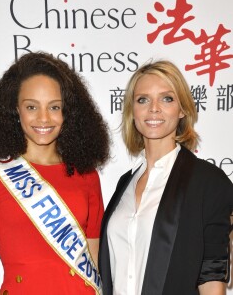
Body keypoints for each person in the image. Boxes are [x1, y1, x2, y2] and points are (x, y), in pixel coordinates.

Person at [0, 51, 110, 295]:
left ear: (67, 112)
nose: (43, 118)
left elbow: (94, 261)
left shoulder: (86, 175)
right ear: (15, 110)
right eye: (32, 107)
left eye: (54, 107)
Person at [98, 60, 233, 295]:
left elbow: (212, 276)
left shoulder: (208, 182)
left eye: (167, 98)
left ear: (182, 109)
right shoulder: (125, 184)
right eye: (143, 100)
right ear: (133, 111)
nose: (154, 108)